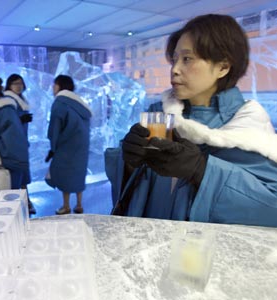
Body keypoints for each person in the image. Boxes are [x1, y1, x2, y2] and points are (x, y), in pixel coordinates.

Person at [113, 14, 277, 227]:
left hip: (204, 255)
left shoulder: (248, 126)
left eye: (187, 59)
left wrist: (202, 170)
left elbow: (271, 208)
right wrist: (128, 162)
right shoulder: (160, 115)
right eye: (174, 59)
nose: (174, 69)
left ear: (222, 67)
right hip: (148, 247)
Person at [45, 75, 92, 214]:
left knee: (65, 174)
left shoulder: (60, 102)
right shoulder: (80, 104)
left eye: (54, 85)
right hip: (81, 146)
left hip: (65, 145)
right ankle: (79, 205)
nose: (53, 88)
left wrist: (53, 147)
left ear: (60, 86)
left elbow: (55, 127)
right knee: (78, 173)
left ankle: (66, 206)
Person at [4, 74, 36, 214]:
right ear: (9, 85)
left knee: (22, 175)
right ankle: (20, 203)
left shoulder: (20, 100)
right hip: (13, 146)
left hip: (21, 143)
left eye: (20, 83)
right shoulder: (8, 100)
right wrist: (20, 119)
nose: (18, 86)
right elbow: (6, 122)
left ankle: (25, 202)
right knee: (17, 176)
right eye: (15, 83)